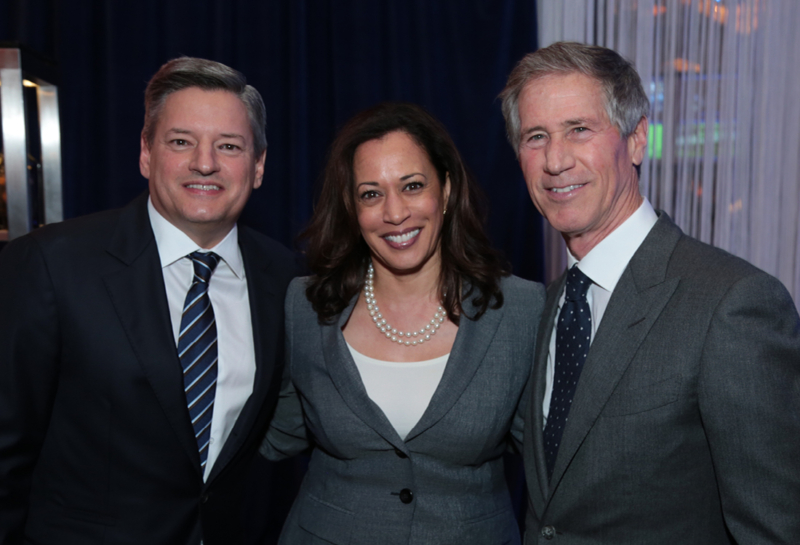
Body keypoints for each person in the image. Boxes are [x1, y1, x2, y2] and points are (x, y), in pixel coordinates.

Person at [500, 41, 800, 544]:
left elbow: (776, 529)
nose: (555, 160)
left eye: (579, 129)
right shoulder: (547, 305)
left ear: (637, 140)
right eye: (536, 136)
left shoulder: (732, 303)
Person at [0, 57, 296, 545]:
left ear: (258, 166)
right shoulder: (51, 264)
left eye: (229, 146)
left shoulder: (285, 277)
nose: (205, 162)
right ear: (145, 153)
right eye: (181, 142)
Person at [261, 102, 544, 544]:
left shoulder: (522, 310)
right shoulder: (306, 307)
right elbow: (273, 432)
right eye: (371, 194)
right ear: (352, 209)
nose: (395, 213)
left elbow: (553, 461)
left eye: (412, 186)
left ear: (446, 190)